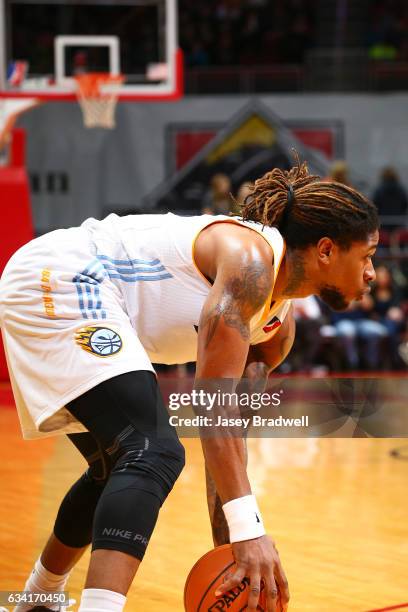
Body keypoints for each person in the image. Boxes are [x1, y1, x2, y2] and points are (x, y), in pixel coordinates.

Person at [0, 157, 379, 612]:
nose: (373, 273)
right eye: (367, 257)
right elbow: (211, 407)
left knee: (117, 464)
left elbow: (228, 438)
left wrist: (237, 555)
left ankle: (36, 601)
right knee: (152, 450)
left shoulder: (277, 332)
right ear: (325, 251)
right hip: (64, 275)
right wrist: (250, 532)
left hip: (92, 296)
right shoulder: (250, 263)